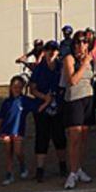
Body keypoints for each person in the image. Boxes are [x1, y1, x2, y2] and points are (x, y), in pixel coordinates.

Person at [62, 31, 96, 190]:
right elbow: (73, 80)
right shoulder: (70, 59)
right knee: (74, 138)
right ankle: (72, 172)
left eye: (84, 42)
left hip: (87, 98)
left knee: (83, 138)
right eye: (78, 42)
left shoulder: (90, 60)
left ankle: (79, 168)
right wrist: (84, 63)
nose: (81, 45)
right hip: (74, 100)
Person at [29, 41, 66, 183]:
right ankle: (40, 169)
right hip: (42, 107)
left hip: (58, 107)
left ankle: (63, 165)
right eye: (49, 49)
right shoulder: (39, 69)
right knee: (42, 137)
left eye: (54, 50)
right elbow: (32, 88)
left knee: (59, 137)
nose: (52, 52)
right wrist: (45, 97)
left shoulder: (61, 67)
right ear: (45, 51)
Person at [0, 75, 38, 186]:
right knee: (8, 151)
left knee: (18, 151)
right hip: (6, 129)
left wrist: (46, 102)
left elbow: (37, 107)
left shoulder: (24, 101)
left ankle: (22, 165)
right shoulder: (6, 102)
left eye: (19, 87)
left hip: (18, 130)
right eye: (14, 86)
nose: (16, 89)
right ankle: (9, 172)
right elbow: (0, 118)